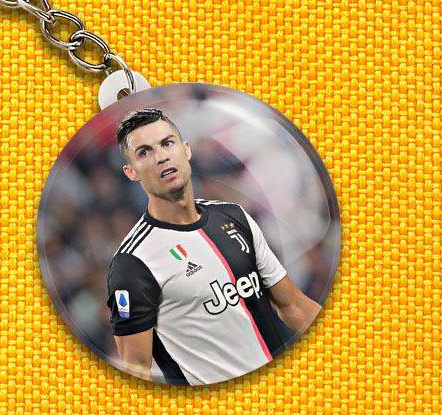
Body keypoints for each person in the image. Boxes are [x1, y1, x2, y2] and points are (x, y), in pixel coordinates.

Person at [105, 106, 321, 385]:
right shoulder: (132, 263)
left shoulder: (234, 216)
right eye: (144, 152)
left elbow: (294, 306)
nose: (161, 156)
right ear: (131, 172)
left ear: (186, 150)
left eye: (167, 143)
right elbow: (136, 371)